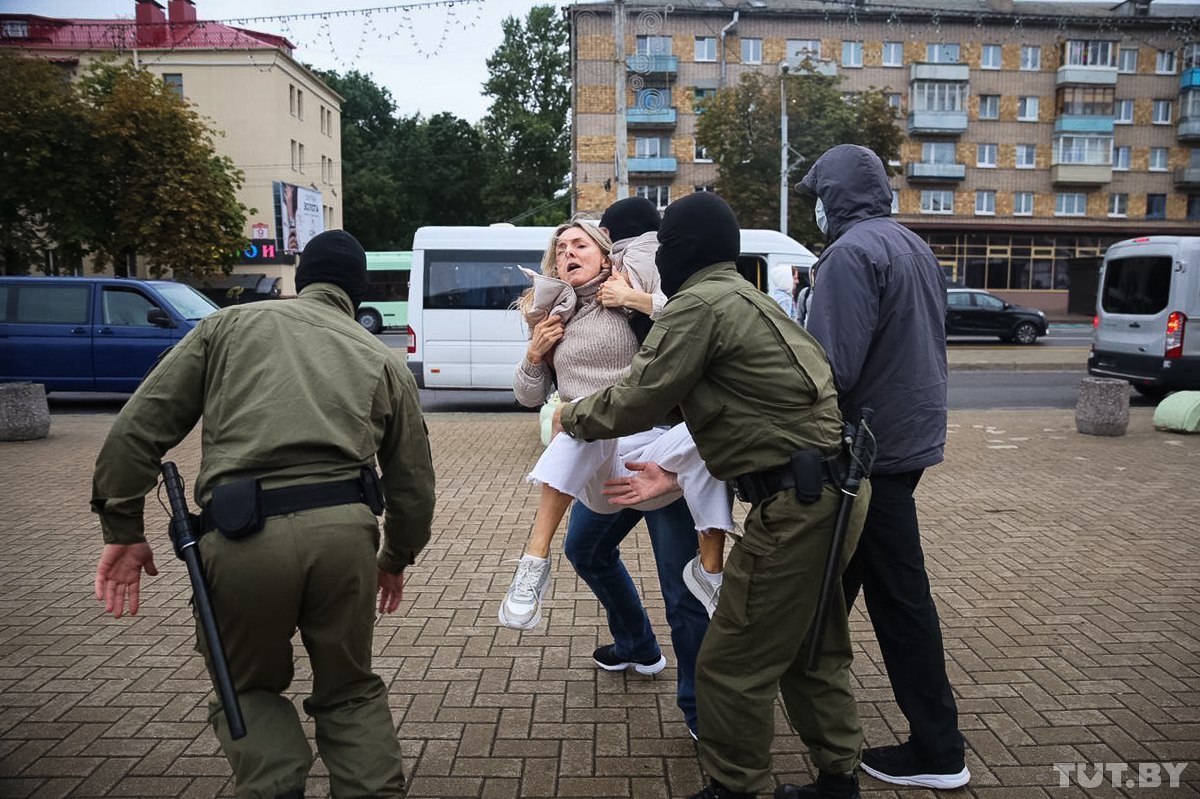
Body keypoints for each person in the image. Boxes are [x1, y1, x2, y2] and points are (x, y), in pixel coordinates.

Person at [90, 230, 435, 798]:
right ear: (359, 288)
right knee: (350, 690)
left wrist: (123, 529)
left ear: (302, 280)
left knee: (246, 687)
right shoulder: (382, 357)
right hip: (344, 540)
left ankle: (275, 786)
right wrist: (394, 557)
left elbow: (138, 429)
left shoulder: (227, 327)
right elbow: (413, 484)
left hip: (242, 535)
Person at [555, 191, 871, 799]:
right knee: (811, 646)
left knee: (730, 660)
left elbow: (639, 397)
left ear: (683, 250)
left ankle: (735, 786)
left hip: (798, 503)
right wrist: (675, 470)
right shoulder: (749, 298)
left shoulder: (697, 304)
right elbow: (720, 400)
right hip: (837, 490)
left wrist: (569, 419)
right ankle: (838, 778)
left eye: (665, 246)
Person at [799, 144, 969, 791]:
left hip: (866, 449)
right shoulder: (908, 244)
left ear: (834, 195)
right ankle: (793, 700)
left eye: (817, 192)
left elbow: (829, 369)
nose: (814, 206)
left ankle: (938, 746)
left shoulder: (849, 254)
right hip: (905, 440)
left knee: (898, 598)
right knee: (835, 586)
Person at [500, 213, 732, 630]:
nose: (567, 252)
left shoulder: (633, 289)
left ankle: (698, 685)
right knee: (581, 427)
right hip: (599, 455)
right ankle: (536, 564)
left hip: (661, 454)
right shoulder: (551, 315)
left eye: (579, 244)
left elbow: (691, 321)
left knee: (681, 591)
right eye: (561, 248)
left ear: (605, 256)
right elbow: (528, 396)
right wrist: (535, 354)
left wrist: (631, 299)